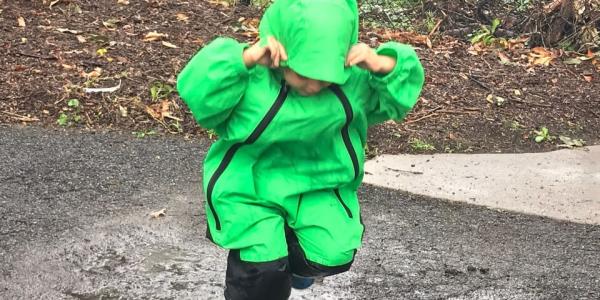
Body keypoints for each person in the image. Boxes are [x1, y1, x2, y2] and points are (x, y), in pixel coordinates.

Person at [176, 0, 424, 298]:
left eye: (324, 75)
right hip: (250, 187)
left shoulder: (350, 85)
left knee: (334, 253)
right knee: (261, 272)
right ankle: (271, 264)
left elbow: (397, 99)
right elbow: (197, 92)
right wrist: (244, 58)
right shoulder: (252, 80)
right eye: (304, 73)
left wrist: (382, 64)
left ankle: (290, 260)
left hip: (318, 185)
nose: (314, 84)